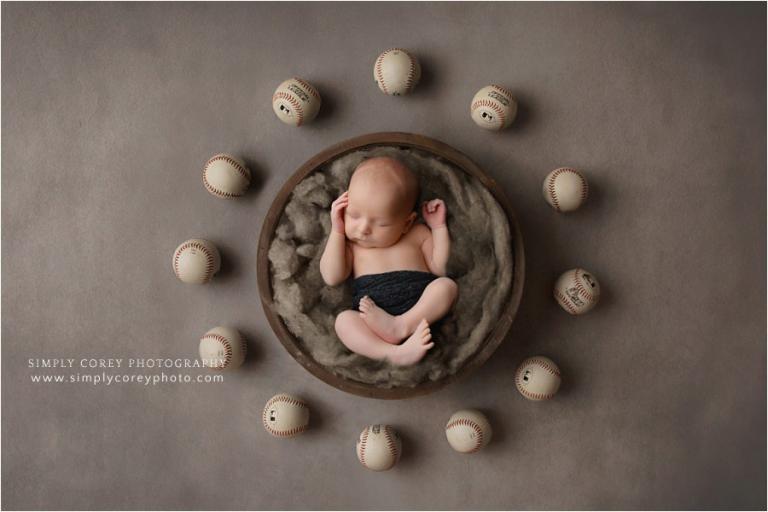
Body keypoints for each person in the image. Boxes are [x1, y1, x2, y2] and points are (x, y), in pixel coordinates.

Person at [319, 156, 458, 366]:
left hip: (418, 312)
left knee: (446, 287)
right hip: (372, 314)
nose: (363, 229)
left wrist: (439, 228)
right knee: (344, 321)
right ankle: (392, 353)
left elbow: (440, 267)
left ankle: (401, 326)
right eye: (354, 215)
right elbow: (331, 276)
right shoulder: (352, 246)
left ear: (406, 222)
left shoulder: (418, 233)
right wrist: (337, 230)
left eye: (381, 224)